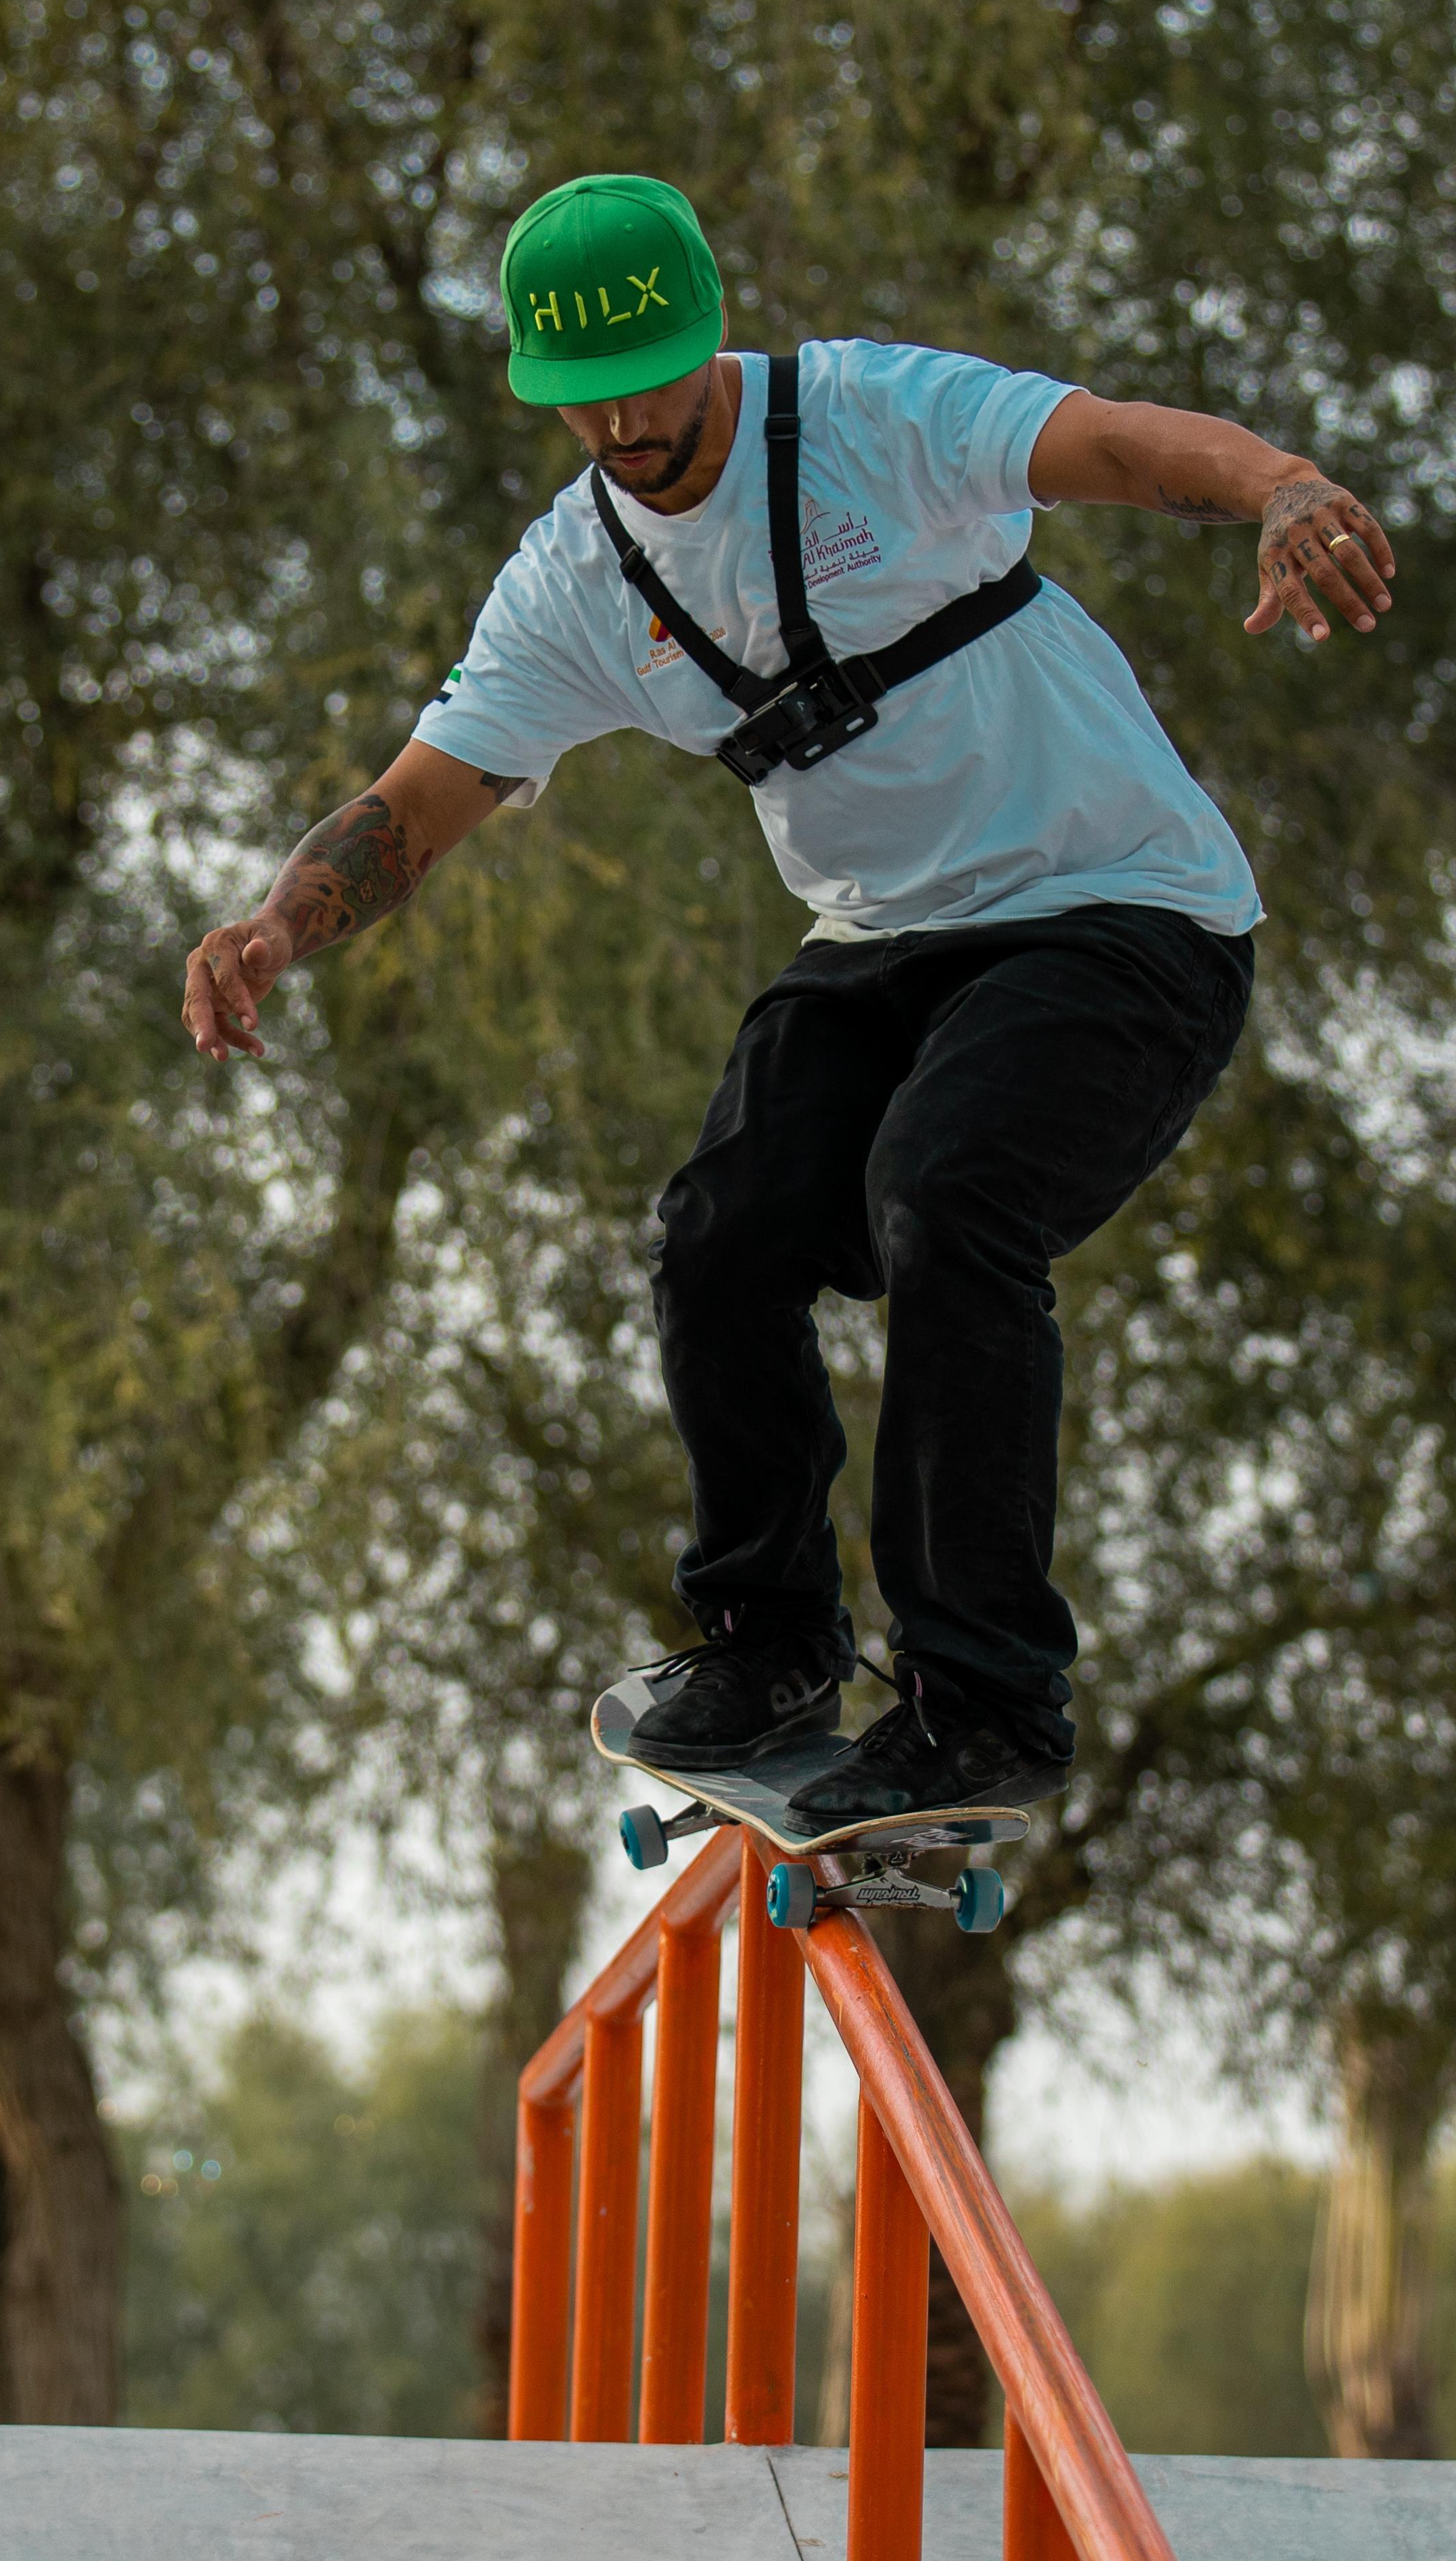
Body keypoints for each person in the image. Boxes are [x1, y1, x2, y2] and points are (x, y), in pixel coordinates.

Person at [176, 174, 1390, 1823]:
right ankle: (764, 1642)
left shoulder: (877, 418)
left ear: (709, 332)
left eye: (655, 377)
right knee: (718, 1228)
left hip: (1123, 919)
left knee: (944, 1196)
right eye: (586, 395)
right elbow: (418, 803)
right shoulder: (573, 582)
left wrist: (1283, 487)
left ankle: (984, 1699)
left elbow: (1111, 446)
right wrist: (275, 927)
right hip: (884, 939)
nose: (627, 419)